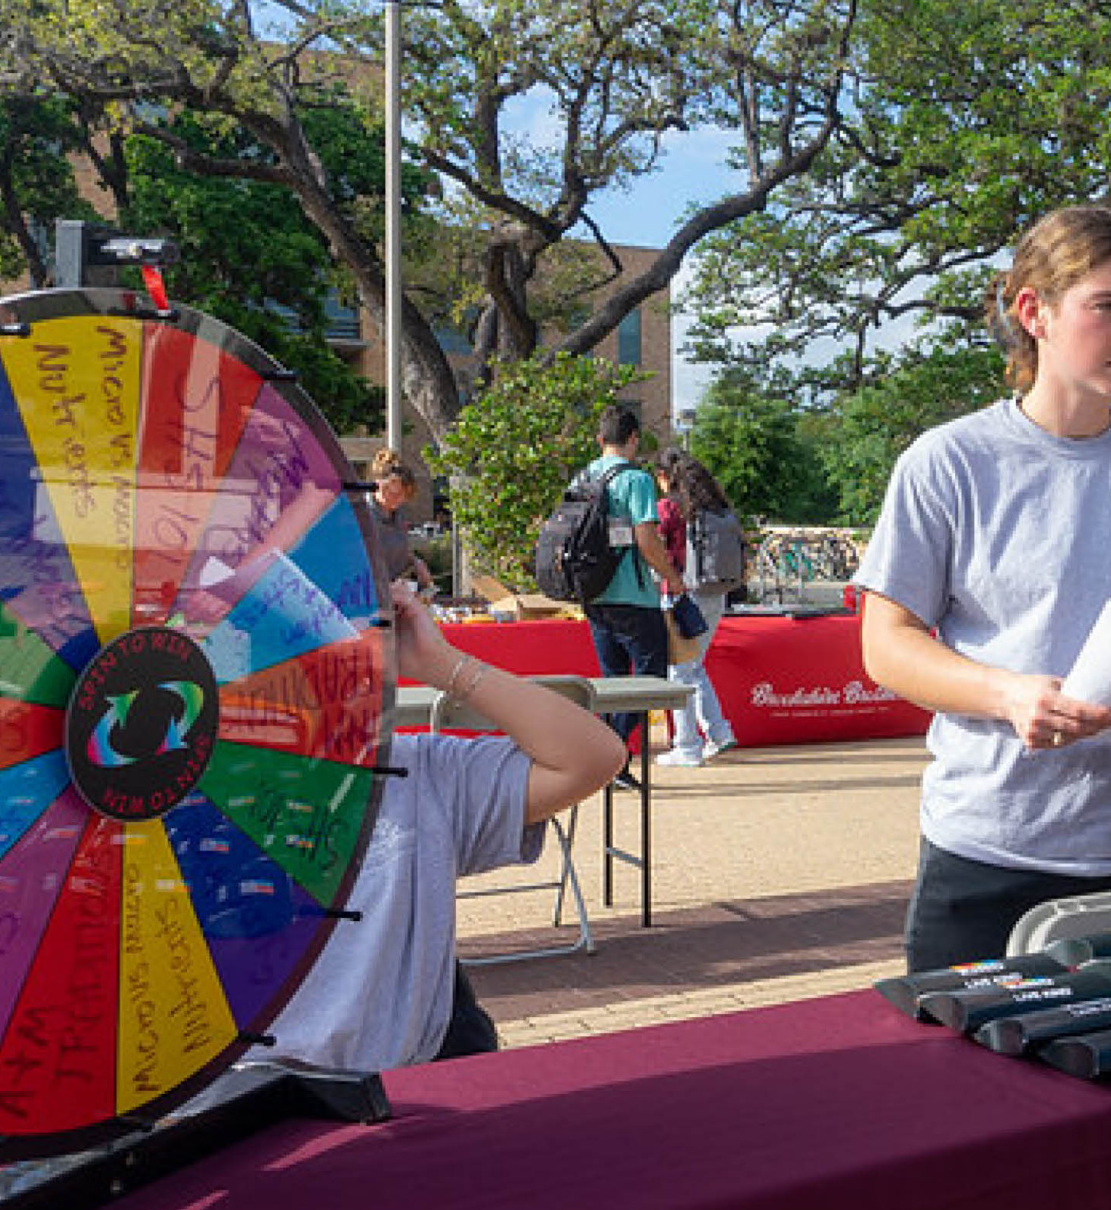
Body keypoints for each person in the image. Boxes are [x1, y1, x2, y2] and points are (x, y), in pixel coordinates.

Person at [855, 205, 1111, 970]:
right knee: (976, 1090)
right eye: (1109, 308)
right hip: (988, 854)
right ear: (1032, 312)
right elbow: (885, 642)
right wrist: (1008, 695)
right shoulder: (948, 462)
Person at [246, 580, 625, 1074]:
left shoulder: (417, 772)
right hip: (233, 1104)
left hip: (404, 1087)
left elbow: (593, 756)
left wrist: (441, 665)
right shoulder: (188, 795)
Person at [575, 404, 687, 753]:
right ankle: (610, 749)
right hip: (633, 595)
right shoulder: (635, 479)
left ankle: (611, 760)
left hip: (593, 593)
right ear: (633, 438)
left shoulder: (582, 477)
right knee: (651, 679)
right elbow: (646, 540)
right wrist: (672, 577)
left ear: (599, 439)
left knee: (613, 684)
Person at [655, 448, 743, 767]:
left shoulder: (669, 508)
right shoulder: (713, 506)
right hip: (715, 592)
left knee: (679, 670)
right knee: (695, 666)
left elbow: (654, 546)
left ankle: (687, 745)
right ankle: (719, 732)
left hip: (682, 595)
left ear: (665, 477)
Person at [365, 448, 435, 593]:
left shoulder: (399, 515)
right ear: (380, 486)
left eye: (405, 495)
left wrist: (416, 563)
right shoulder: (362, 515)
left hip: (396, 590)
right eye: (395, 494)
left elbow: (398, 548)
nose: (400, 500)